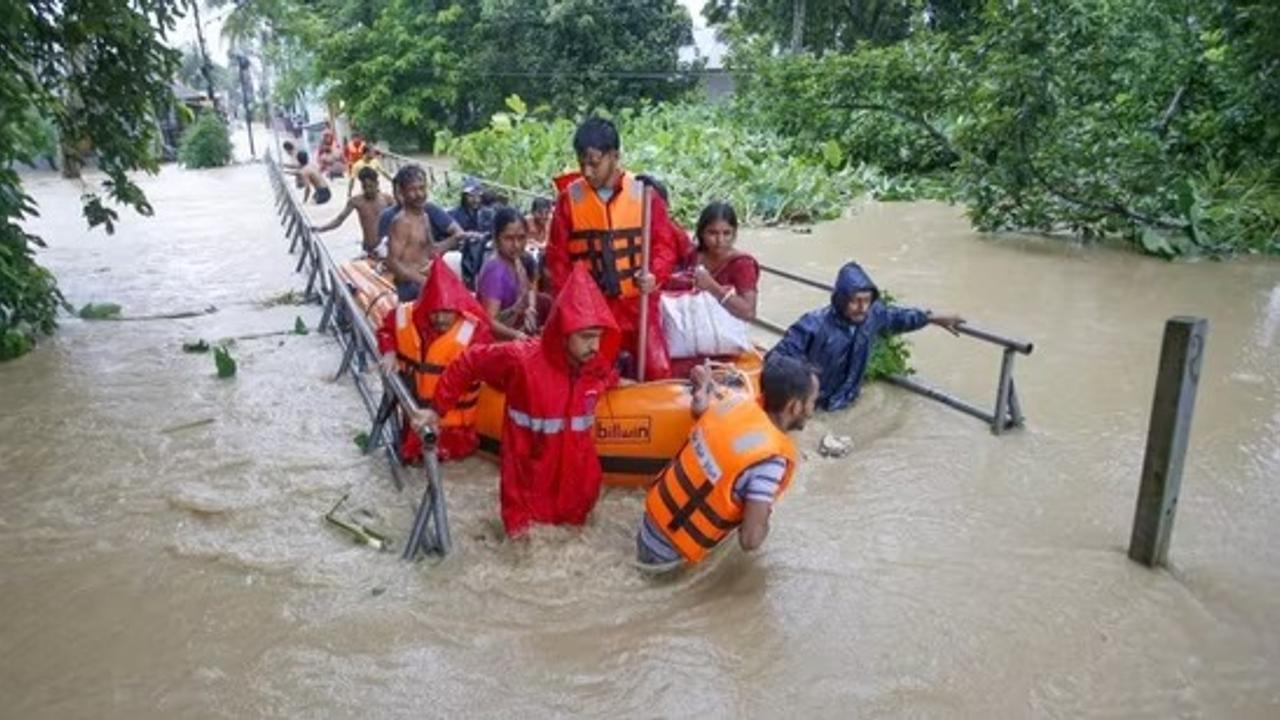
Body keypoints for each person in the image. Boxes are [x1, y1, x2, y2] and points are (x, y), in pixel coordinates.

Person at [410, 265, 621, 536]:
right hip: (527, 492)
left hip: (577, 493)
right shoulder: (521, 360)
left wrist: (619, 381)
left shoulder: (594, 366)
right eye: (587, 337)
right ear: (564, 333)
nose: (594, 346)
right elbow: (468, 362)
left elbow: (605, 377)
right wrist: (437, 410)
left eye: (599, 337)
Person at [635, 355, 817, 569]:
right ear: (795, 407)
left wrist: (703, 386)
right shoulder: (771, 462)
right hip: (669, 556)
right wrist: (765, 514)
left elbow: (699, 409)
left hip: (649, 525)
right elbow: (750, 541)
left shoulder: (734, 404)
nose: (813, 409)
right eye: (812, 401)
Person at [546, 117, 682, 380]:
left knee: (657, 368)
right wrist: (573, 305)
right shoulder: (569, 200)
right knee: (592, 373)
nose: (586, 171)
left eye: (594, 163)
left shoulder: (645, 194)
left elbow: (664, 246)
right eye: (582, 163)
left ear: (614, 156)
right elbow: (558, 259)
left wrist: (654, 276)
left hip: (638, 303)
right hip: (593, 310)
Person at [768, 261, 965, 411]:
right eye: (856, 301)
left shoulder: (873, 316)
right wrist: (805, 386)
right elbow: (777, 359)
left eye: (867, 301)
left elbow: (900, 318)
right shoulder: (813, 325)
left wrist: (932, 318)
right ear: (841, 300)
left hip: (847, 400)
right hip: (815, 405)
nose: (863, 308)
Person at [376, 258, 493, 462]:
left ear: (458, 307)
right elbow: (385, 330)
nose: (440, 319)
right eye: (434, 312)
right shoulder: (405, 315)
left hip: (456, 431)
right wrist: (389, 351)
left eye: (447, 312)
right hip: (416, 422)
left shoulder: (476, 333)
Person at [664, 202, 758, 322]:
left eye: (726, 233)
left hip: (724, 334)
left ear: (734, 234)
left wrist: (712, 287)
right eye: (712, 233)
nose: (720, 240)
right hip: (687, 327)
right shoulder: (692, 255)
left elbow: (749, 313)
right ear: (702, 233)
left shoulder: (742, 264)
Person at [386, 164, 465, 301]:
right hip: (408, 286)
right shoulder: (402, 222)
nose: (419, 194)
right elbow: (392, 262)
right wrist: (422, 280)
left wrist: (457, 238)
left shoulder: (425, 217)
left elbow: (431, 251)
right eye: (413, 190)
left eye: (422, 188)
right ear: (402, 192)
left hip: (425, 277)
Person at [476, 207, 551, 341]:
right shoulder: (495, 271)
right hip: (495, 343)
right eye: (509, 239)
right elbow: (489, 321)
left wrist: (531, 308)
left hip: (516, 330)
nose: (516, 245)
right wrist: (518, 336)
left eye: (521, 238)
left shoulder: (516, 260)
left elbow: (530, 286)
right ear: (497, 238)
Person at [310, 167, 395, 255]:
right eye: (364, 187)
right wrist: (321, 228)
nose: (368, 190)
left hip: (384, 247)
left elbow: (401, 216)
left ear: (377, 184)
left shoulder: (387, 199)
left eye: (370, 186)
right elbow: (339, 220)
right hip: (367, 247)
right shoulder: (356, 201)